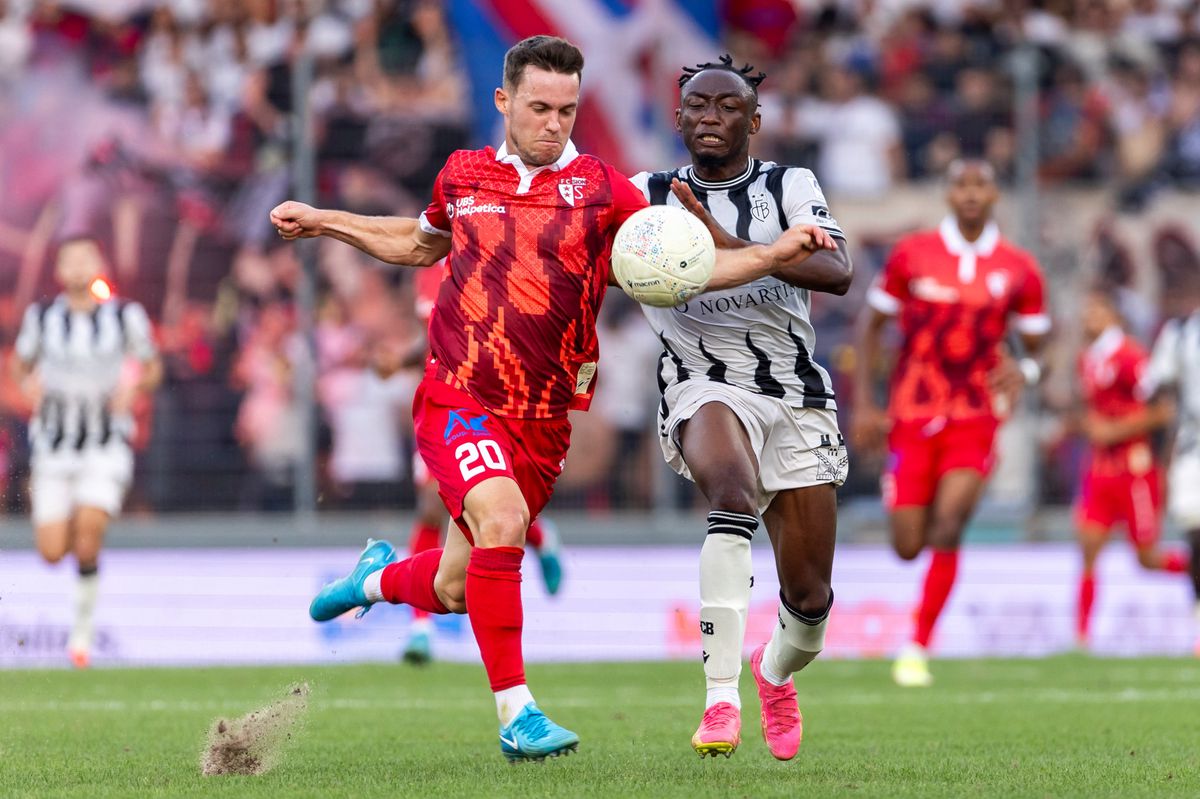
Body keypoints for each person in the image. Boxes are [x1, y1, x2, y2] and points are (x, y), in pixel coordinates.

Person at [270, 35, 825, 762]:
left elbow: (687, 268)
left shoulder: (603, 189)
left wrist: (771, 255)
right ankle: (517, 713)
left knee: (454, 586)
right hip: (459, 392)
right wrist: (326, 220)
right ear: (504, 102)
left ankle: (372, 578)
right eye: (538, 108)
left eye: (566, 110)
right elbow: (420, 243)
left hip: (544, 418)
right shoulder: (463, 174)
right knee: (502, 519)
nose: (553, 123)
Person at [630, 56, 851, 761]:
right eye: (697, 106)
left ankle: (772, 671)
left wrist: (735, 249)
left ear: (753, 122)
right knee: (731, 491)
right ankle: (719, 698)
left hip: (795, 392)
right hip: (700, 382)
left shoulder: (790, 186)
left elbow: (836, 271)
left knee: (809, 602)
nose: (710, 117)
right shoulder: (644, 197)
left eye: (728, 107)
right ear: (678, 118)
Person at [852, 160, 1050, 687]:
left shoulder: (1018, 267)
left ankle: (917, 645)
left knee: (949, 523)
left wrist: (1027, 370)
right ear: (948, 194)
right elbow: (870, 325)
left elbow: (1041, 347)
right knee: (907, 545)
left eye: (981, 185)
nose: (971, 194)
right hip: (911, 413)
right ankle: (917, 631)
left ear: (995, 195)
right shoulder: (912, 254)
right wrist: (865, 404)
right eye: (961, 185)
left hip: (976, 415)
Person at [400, 261, 564, 666]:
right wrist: (400, 360)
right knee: (432, 504)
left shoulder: (493, 258)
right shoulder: (424, 266)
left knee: (482, 507)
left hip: (493, 400)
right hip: (445, 400)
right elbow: (433, 335)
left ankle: (537, 537)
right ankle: (420, 629)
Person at [11, 236, 162, 668]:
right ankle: (75, 538)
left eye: (86, 257)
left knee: (90, 531)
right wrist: (27, 385)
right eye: (70, 259)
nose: (78, 266)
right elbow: (19, 365)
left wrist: (134, 387)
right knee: (52, 552)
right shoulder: (42, 317)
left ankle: (81, 636)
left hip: (104, 443)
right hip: (54, 447)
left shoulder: (125, 315)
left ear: (99, 264)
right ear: (58, 271)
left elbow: (152, 366)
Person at [1072, 286, 1190, 648]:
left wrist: (1115, 430)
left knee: (1147, 558)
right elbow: (1096, 409)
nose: (1088, 318)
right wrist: (1088, 425)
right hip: (1099, 469)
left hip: (1134, 469)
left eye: (1096, 311)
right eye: (1086, 312)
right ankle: (1081, 638)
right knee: (1088, 547)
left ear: (1114, 316)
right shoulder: (1087, 359)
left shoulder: (1130, 357)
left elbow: (1162, 411)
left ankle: (1194, 569)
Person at [1139, 280, 1200, 649]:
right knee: (1196, 534)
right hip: (1194, 448)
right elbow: (1155, 387)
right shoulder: (1179, 333)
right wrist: (1158, 451)